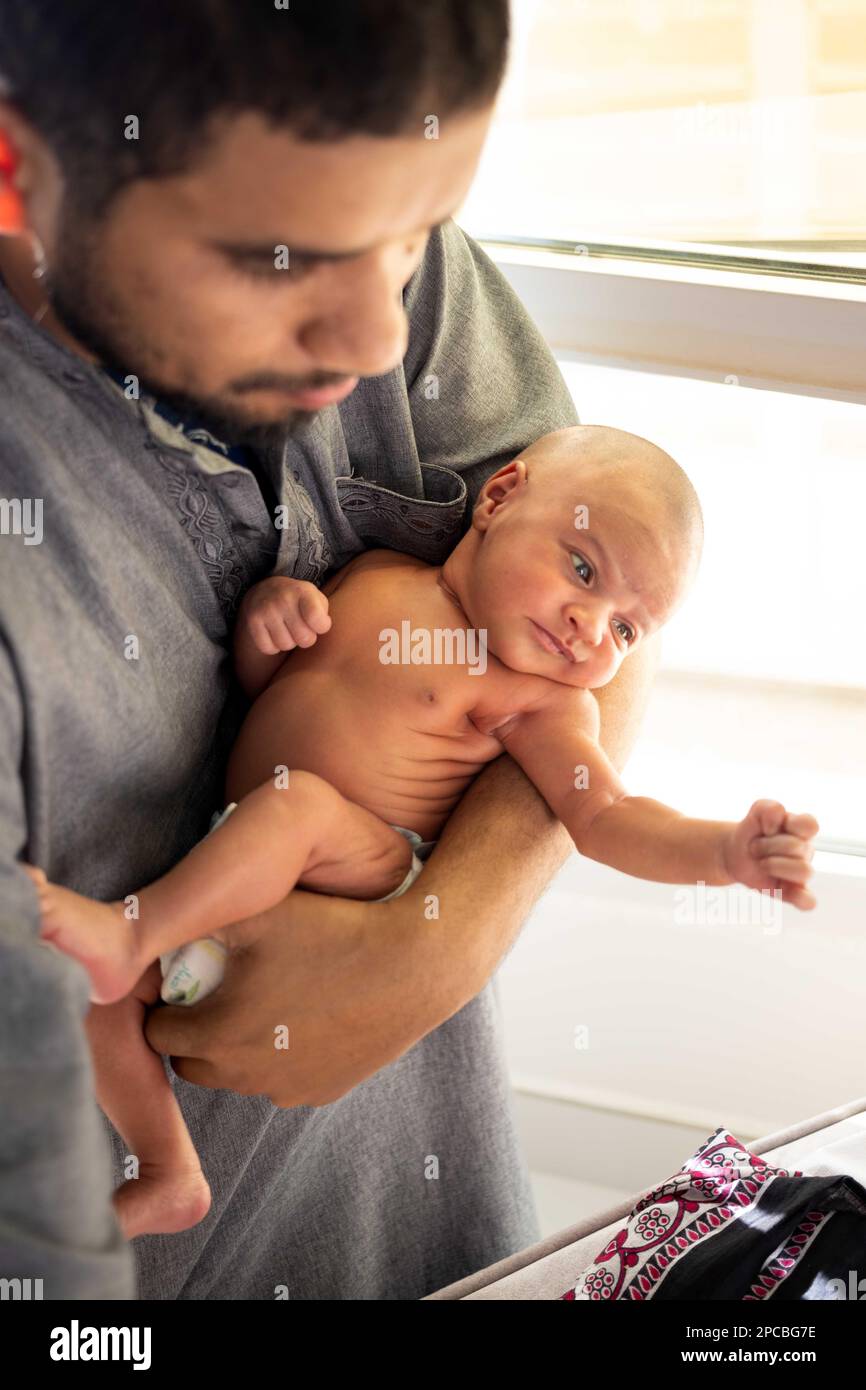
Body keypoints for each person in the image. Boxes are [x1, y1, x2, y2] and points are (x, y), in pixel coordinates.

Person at [0, 2, 661, 1299]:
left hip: (448, 1243)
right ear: (21, 168)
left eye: (415, 235)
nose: (375, 341)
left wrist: (435, 941)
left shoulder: (358, 222)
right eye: (280, 261)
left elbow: (600, 619)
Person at [26, 423, 819, 1241]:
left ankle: (130, 932)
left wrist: (723, 852)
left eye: (626, 631)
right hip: (237, 872)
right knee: (84, 990)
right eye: (583, 571)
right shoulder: (373, 575)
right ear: (501, 498)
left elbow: (606, 818)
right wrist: (269, 622)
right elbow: (278, 691)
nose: (591, 626)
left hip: (361, 869)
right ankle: (168, 1169)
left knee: (295, 805)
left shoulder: (541, 699)